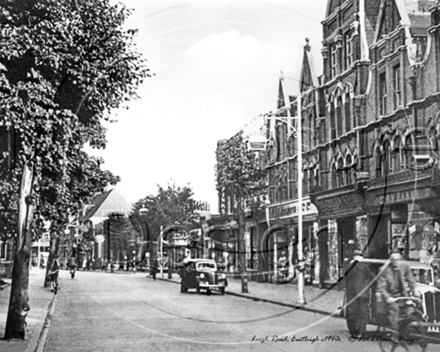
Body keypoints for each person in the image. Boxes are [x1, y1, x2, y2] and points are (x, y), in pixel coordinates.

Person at [377, 250, 416, 331]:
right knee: (395, 309)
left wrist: (414, 291)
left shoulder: (405, 267)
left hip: (402, 296)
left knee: (411, 309)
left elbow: (411, 280)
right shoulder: (384, 270)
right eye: (394, 260)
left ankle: (414, 331)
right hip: (390, 296)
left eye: (398, 259)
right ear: (390, 260)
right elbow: (382, 287)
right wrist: (388, 297)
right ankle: (395, 333)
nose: (397, 262)